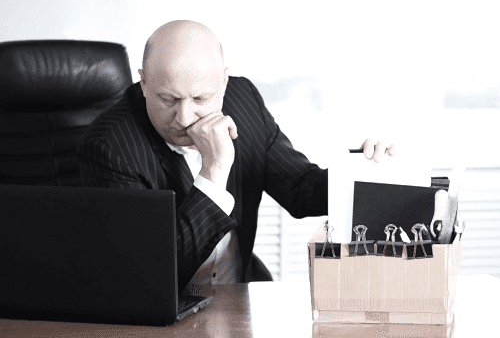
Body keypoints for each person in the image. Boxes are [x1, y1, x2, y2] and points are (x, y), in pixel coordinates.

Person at [77, 20, 395, 293]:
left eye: (201, 98)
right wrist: (215, 171)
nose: (185, 116)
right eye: (168, 99)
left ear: (224, 82)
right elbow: (153, 273)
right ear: (144, 82)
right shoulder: (109, 146)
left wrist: (363, 172)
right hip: (163, 314)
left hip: (240, 296)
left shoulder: (244, 100)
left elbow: (301, 190)